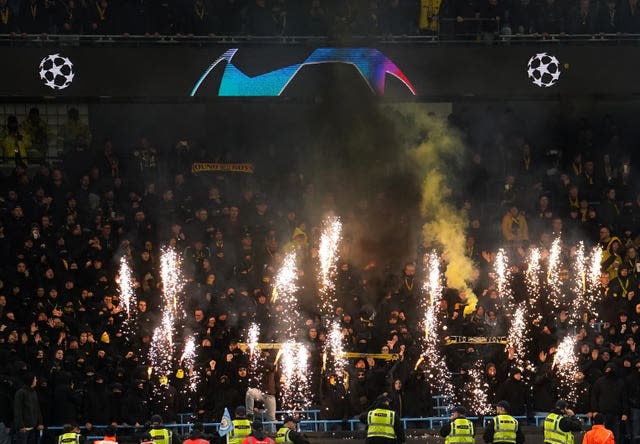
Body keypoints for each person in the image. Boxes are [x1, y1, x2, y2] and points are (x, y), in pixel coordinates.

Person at [13, 373, 43, 444]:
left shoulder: (34, 392)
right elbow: (17, 410)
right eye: (35, 379)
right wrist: (20, 426)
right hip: (23, 429)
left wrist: (40, 422)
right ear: (31, 381)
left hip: (33, 428)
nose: (36, 381)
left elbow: (37, 408)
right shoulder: (20, 392)